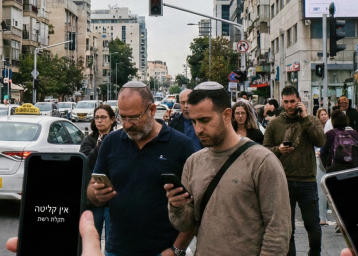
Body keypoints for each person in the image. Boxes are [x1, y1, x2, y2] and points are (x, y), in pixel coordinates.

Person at [166, 82, 290, 255]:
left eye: (205, 120)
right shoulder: (193, 162)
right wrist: (177, 206)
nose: (198, 129)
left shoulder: (262, 161)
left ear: (226, 115)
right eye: (193, 121)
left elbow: (278, 231)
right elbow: (186, 224)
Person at [88, 81, 196, 256]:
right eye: (123, 117)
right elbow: (93, 190)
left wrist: (177, 249)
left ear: (152, 110)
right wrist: (96, 193)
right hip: (117, 249)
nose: (127, 124)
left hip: (163, 250)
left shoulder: (181, 145)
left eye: (134, 117)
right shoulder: (111, 142)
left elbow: (196, 206)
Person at [263, 86, 326, 256]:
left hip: (307, 181)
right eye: (286, 102)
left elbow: (320, 141)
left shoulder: (311, 119)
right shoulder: (275, 123)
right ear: (282, 102)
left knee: (312, 224)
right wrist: (279, 150)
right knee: (287, 228)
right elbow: (265, 149)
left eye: (293, 101)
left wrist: (305, 118)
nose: (290, 105)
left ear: (298, 100)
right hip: (284, 181)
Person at [79, 104, 116, 239]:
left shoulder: (119, 138)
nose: (99, 120)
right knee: (92, 237)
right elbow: (86, 162)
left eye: (103, 117)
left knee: (112, 239)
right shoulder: (89, 140)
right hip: (93, 196)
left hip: (113, 196)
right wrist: (100, 144)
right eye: (97, 118)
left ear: (112, 119)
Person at [314, 108, 330, 226]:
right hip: (318, 157)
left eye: (325, 114)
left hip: (326, 157)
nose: (324, 116)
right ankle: (322, 216)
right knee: (321, 186)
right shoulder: (316, 127)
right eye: (322, 114)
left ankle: (323, 215)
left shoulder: (330, 126)